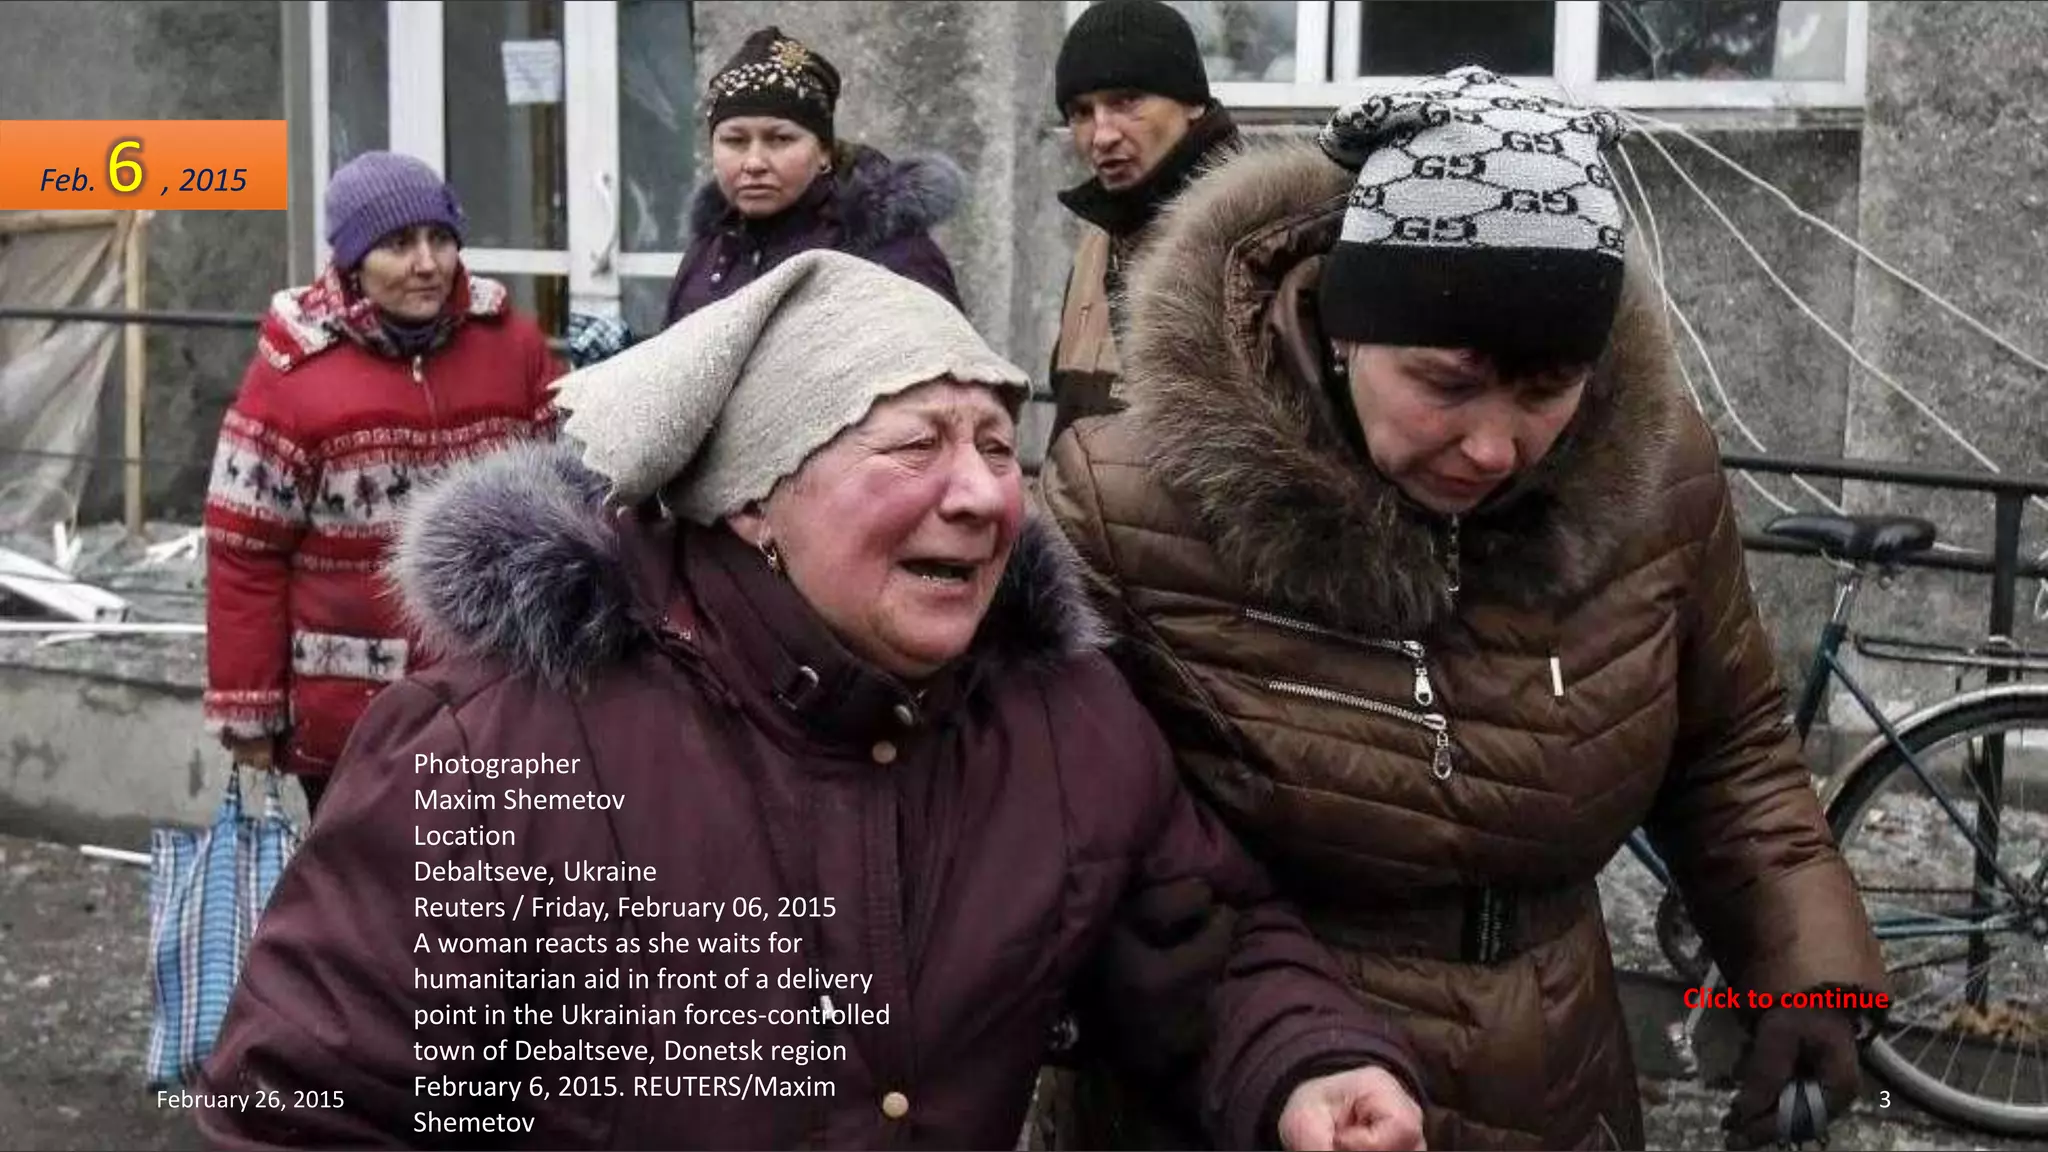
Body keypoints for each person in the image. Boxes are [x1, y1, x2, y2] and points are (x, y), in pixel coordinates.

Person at [193, 250, 1427, 1152]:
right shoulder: (505, 744)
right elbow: (307, 1105)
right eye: (913, 444)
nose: (985, 496)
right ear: (752, 503)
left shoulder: (1063, 719)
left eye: (999, 447)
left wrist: (1302, 1065)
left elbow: (1205, 943)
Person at [1040, 67, 1888, 1150]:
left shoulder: (1651, 473)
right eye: (1445, 382)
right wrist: (1271, 1059)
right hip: (1248, 1099)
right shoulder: (1128, 506)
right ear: (1343, 329)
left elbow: (1724, 749)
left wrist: (1802, 963)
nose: (1494, 447)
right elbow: (1087, 854)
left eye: (1546, 393)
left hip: (1558, 1078)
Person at [202, 151, 560, 815]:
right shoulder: (291, 374)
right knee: (369, 906)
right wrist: (249, 709)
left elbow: (568, 495)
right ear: (352, 260)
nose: (427, 263)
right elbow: (244, 552)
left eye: (441, 239)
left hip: (498, 696)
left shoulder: (511, 346)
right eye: (398, 244)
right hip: (354, 715)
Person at [661, 25, 964, 328]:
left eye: (779, 139)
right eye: (735, 141)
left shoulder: (892, 254)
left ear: (823, 151)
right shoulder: (711, 247)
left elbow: (941, 365)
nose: (753, 162)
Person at [1046, 0, 1242, 443]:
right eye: (1080, 112)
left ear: (1192, 103)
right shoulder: (1099, 236)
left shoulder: (1258, 233)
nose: (1102, 134)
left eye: (1126, 101)